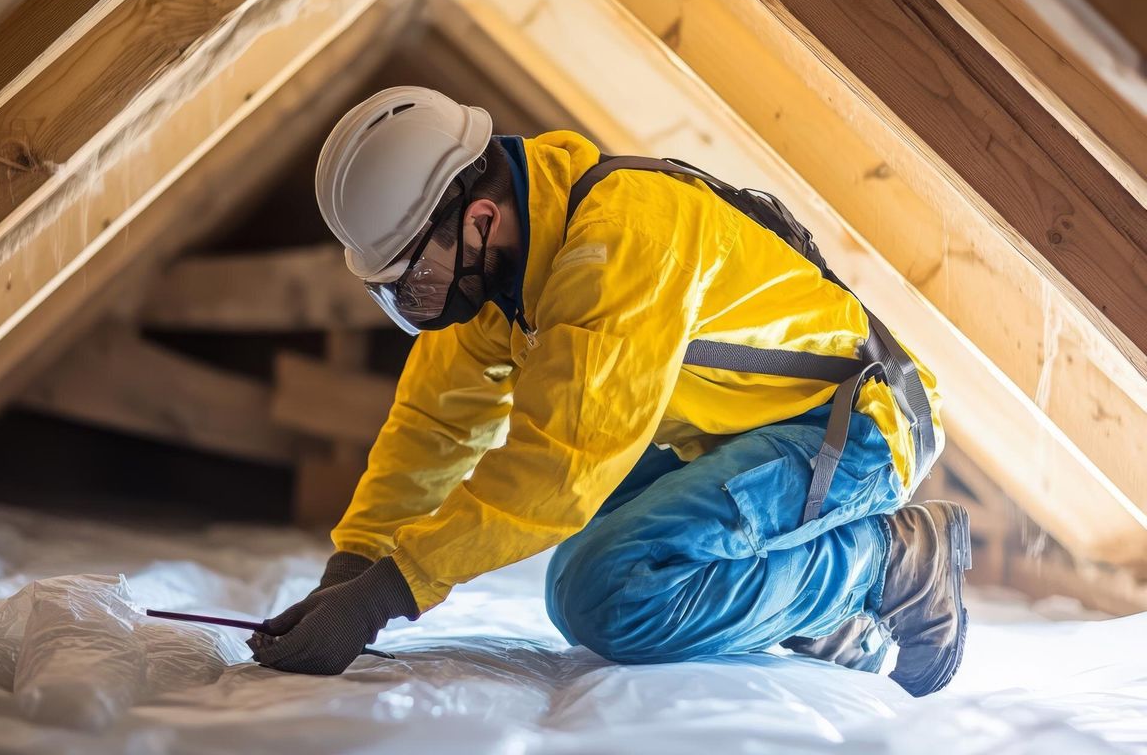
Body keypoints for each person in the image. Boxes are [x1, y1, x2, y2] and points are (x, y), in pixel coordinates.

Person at [247, 86, 971, 697]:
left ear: (479, 219)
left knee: (607, 593)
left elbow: (558, 468)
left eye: (415, 280)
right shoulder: (502, 275)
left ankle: (891, 561)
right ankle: (813, 607)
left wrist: (383, 597)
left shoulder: (622, 240)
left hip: (854, 431)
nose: (419, 301)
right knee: (586, 571)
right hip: (738, 438)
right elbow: (434, 426)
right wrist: (352, 566)